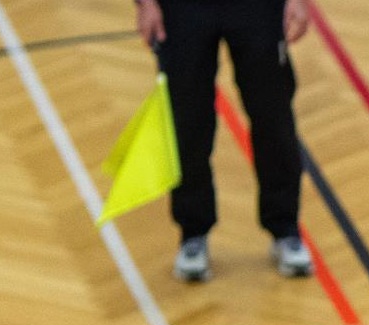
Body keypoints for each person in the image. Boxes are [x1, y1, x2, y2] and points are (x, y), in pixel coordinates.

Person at [134, 0, 315, 282]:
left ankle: (285, 228)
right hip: (183, 10)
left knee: (274, 117)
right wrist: (146, 4)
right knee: (187, 123)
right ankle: (193, 233)